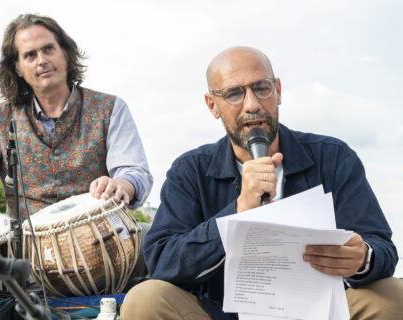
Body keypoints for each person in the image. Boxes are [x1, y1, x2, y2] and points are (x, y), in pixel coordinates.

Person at [121, 47, 402, 319]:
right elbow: (162, 261)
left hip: (324, 312)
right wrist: (237, 212)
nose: (252, 104)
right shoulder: (189, 170)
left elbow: (382, 247)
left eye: (262, 88)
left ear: (277, 91)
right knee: (146, 299)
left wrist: (363, 258)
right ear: (212, 105)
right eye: (233, 93)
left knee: (394, 294)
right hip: (222, 315)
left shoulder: (334, 157)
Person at [0, 14, 153, 218]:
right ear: (18, 68)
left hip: (103, 239)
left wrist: (121, 184)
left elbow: (135, 172)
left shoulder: (111, 108)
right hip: (24, 246)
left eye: (48, 49)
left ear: (66, 54)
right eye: (30, 55)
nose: (42, 61)